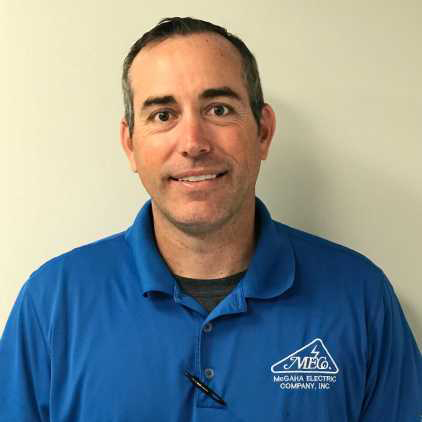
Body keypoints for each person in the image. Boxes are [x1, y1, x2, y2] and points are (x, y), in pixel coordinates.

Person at [0, 16, 421, 422]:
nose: (193, 143)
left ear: (263, 132)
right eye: (163, 115)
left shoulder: (361, 298)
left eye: (218, 110)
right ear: (130, 144)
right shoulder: (52, 304)